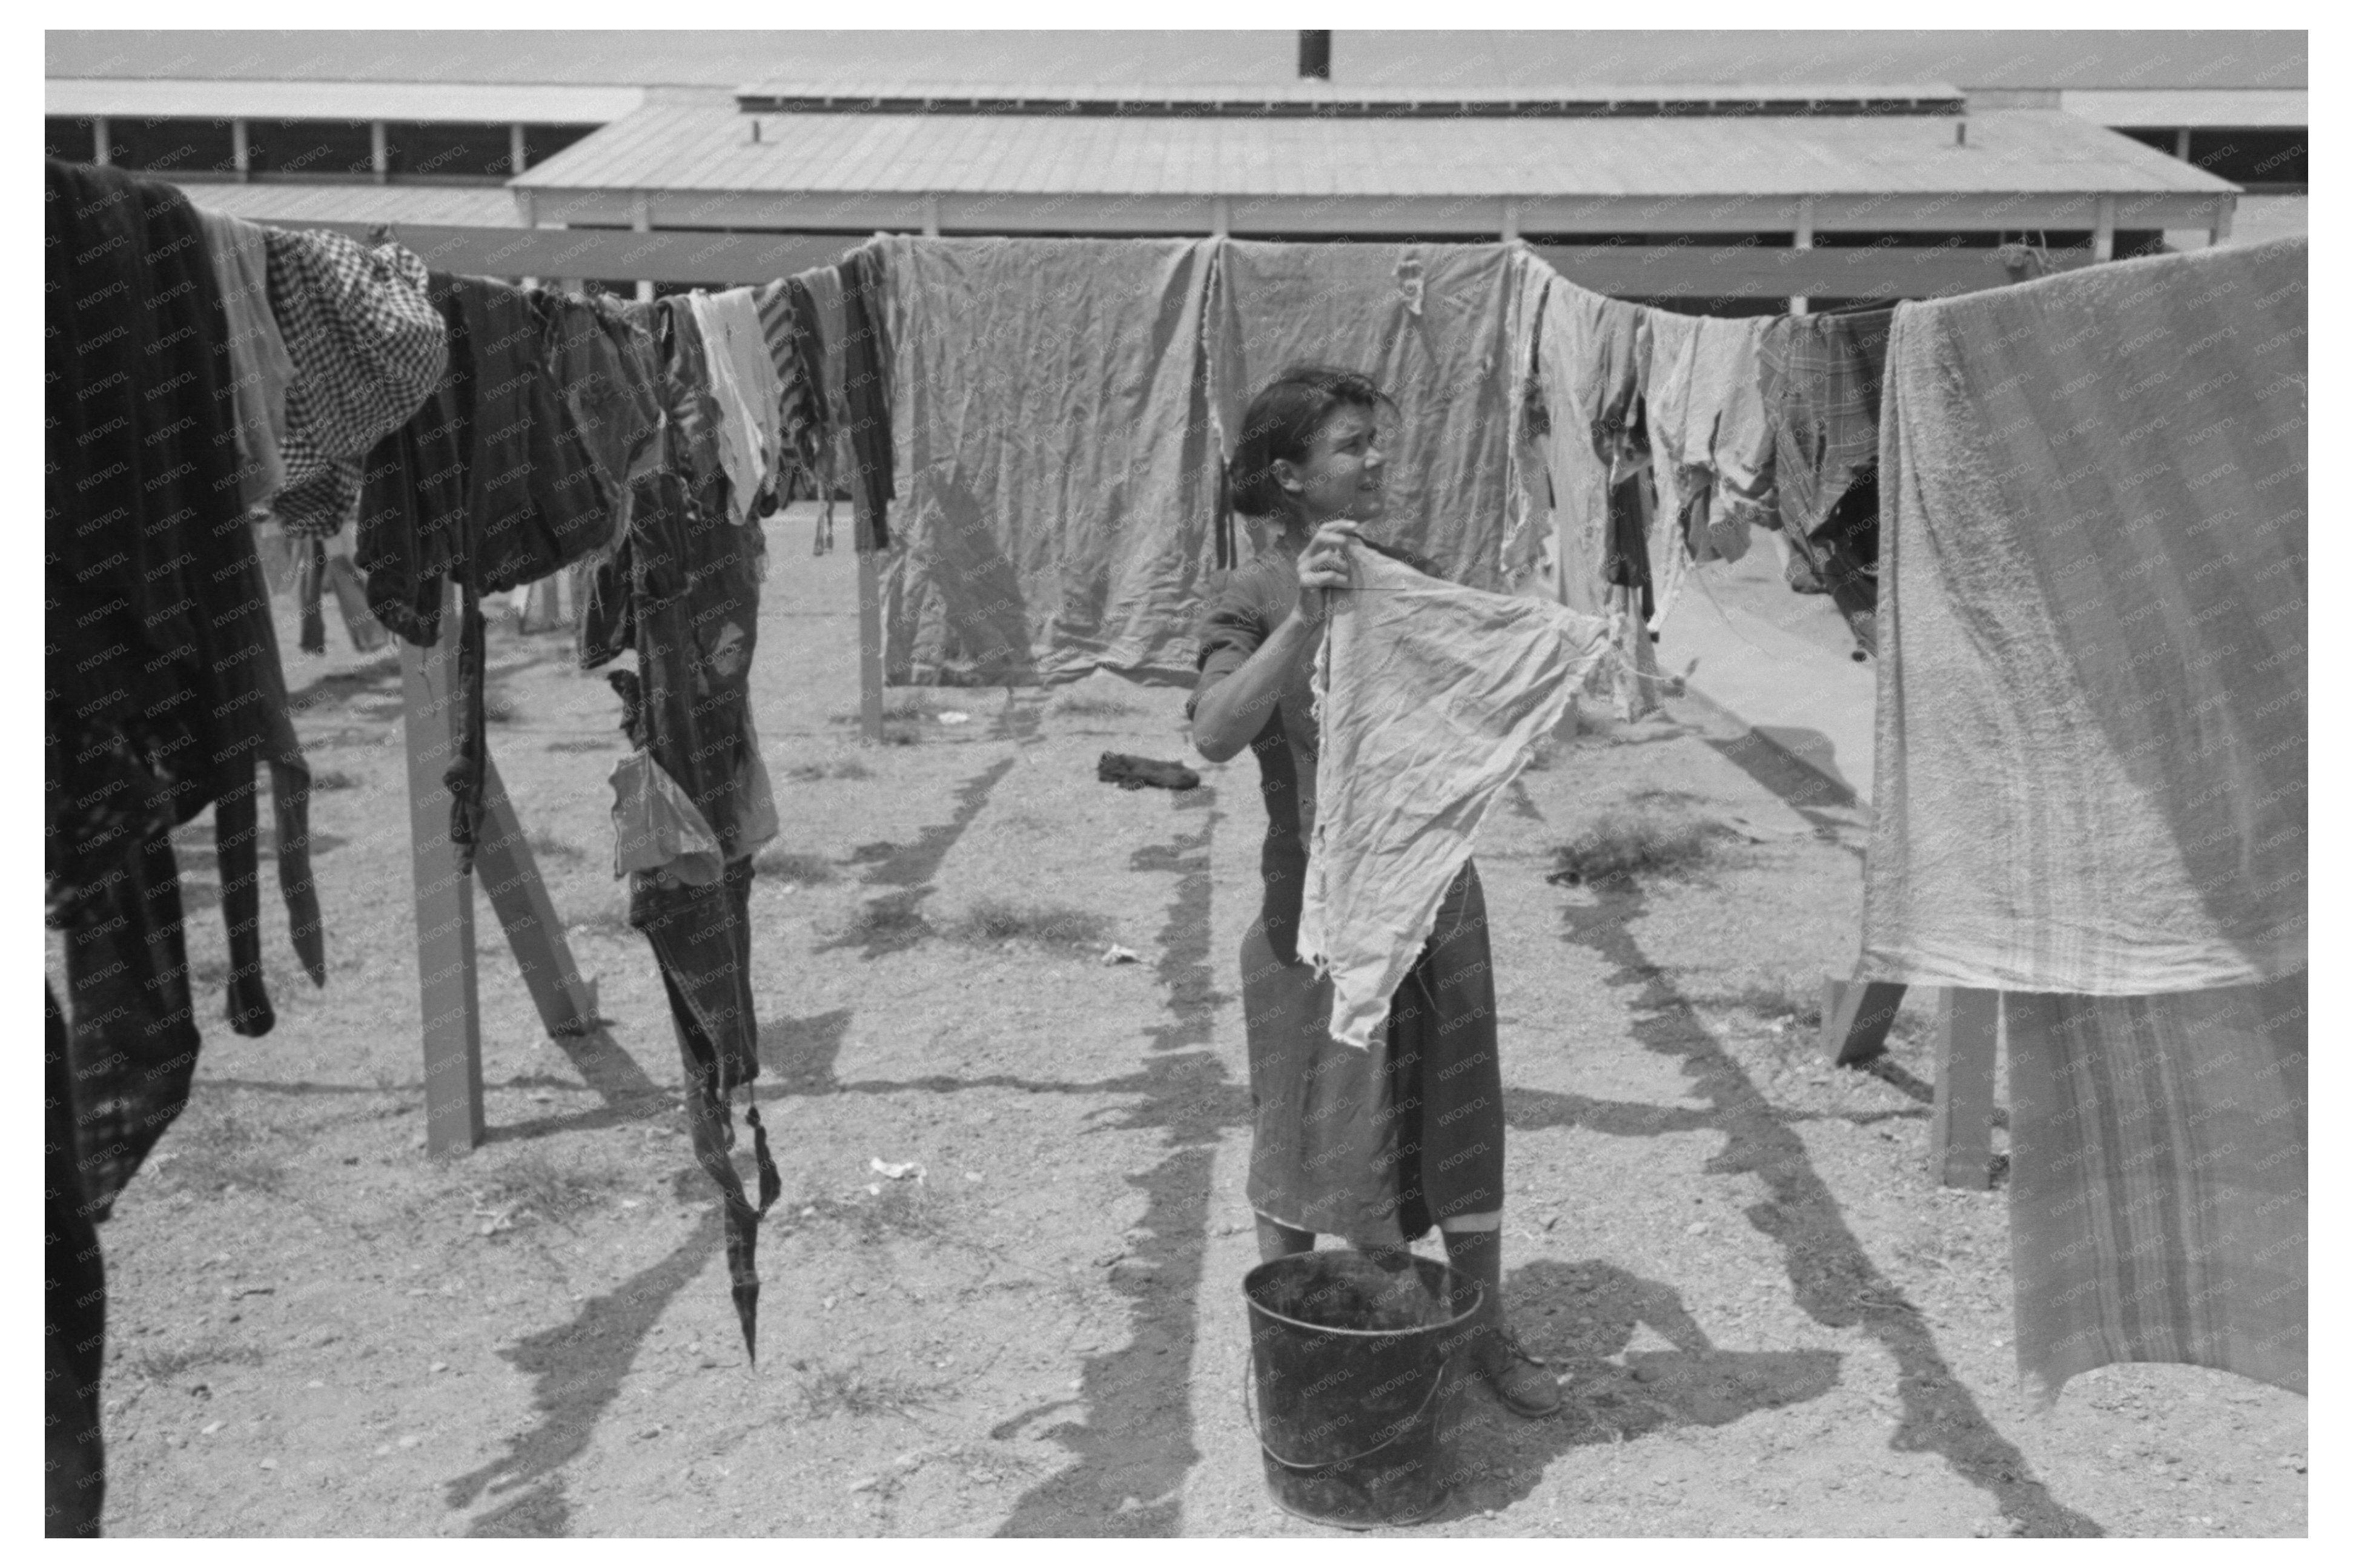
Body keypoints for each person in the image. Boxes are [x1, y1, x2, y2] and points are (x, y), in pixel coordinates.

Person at [1188, 365, 1561, 1419]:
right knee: (1305, 1121)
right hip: (1310, 911)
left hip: (1436, 897)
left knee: (1457, 1110)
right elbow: (1214, 733)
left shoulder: (1406, 573)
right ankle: (1286, 1340)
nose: (1376, 460)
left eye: (1372, 441)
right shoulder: (1248, 594)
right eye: (1352, 444)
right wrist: (1304, 621)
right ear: (1288, 476)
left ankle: (1484, 1329)